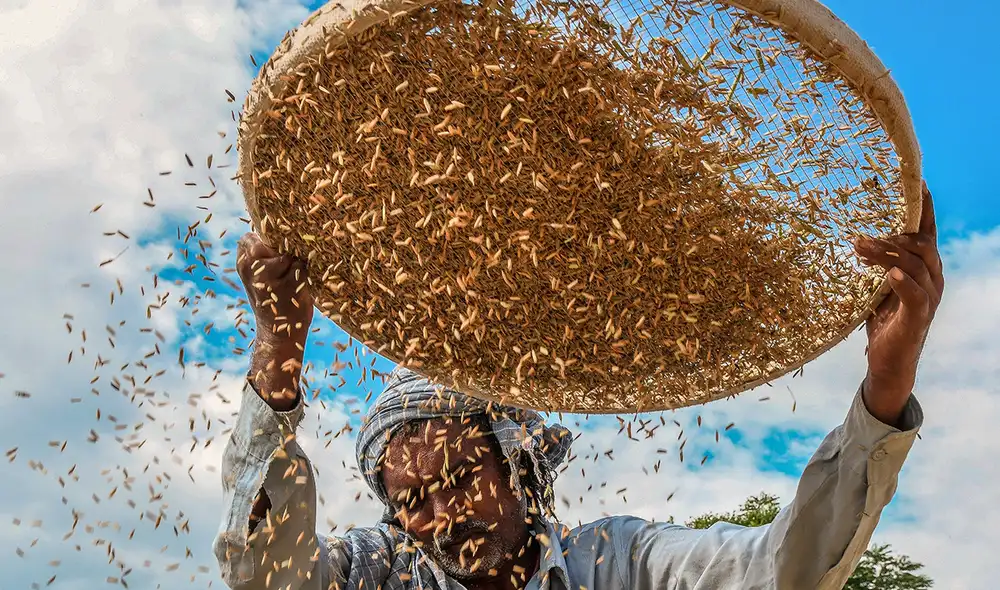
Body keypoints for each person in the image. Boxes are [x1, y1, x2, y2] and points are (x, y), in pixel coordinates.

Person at [213, 183, 945, 590]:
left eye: (460, 477)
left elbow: (778, 570)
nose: (440, 516)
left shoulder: (617, 567)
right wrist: (279, 348)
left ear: (517, 460)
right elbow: (262, 575)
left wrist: (885, 385)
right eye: (410, 501)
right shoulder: (375, 575)